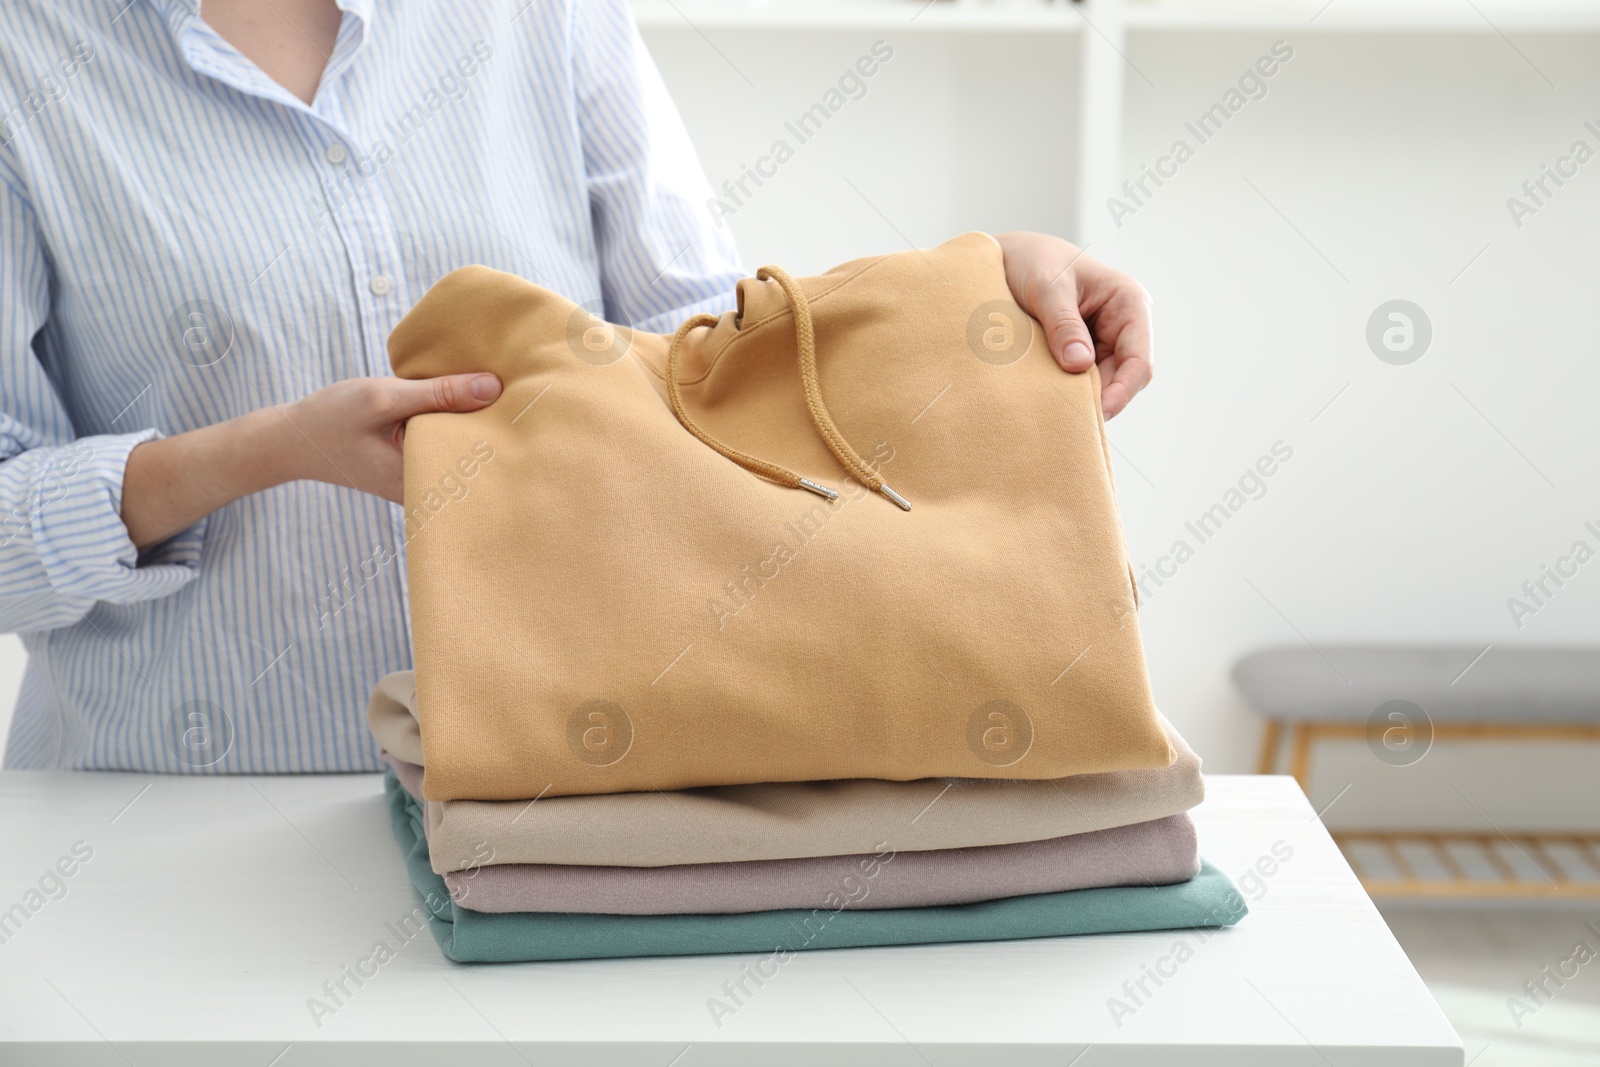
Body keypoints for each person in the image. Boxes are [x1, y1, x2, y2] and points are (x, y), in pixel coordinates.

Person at [0, 0, 1154, 773]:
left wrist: (973, 293)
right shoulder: (26, 55)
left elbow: (706, 354)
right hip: (169, 836)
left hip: (564, 815)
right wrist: (255, 452)